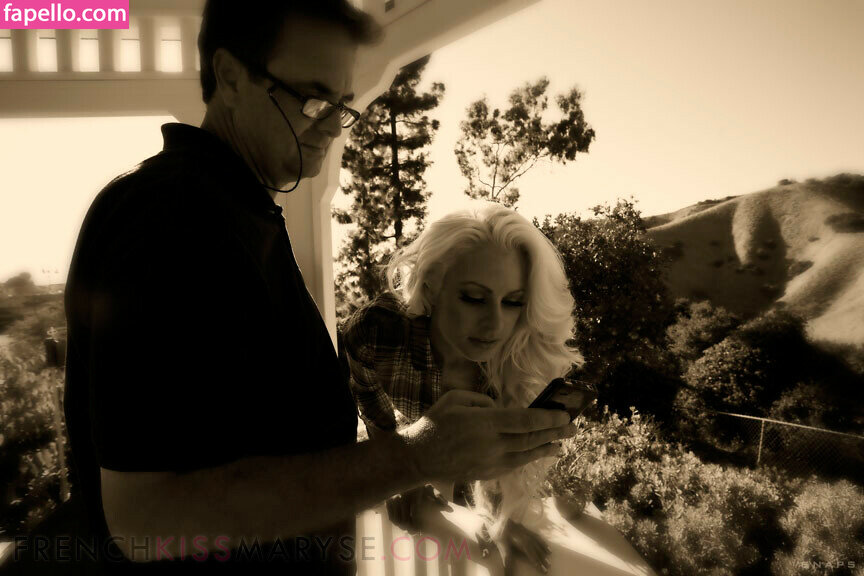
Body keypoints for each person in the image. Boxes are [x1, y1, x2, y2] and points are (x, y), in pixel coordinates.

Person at [60, 1, 576, 574]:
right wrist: (416, 456)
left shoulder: (235, 212)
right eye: (312, 98)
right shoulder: (171, 218)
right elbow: (145, 520)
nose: (332, 125)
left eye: (342, 105)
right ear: (230, 76)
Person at [342, 202, 584, 573]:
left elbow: (505, 457)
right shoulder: (377, 334)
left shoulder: (521, 355)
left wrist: (504, 519)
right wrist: (404, 479)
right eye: (473, 298)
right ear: (431, 286)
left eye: (513, 302)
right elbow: (375, 416)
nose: (495, 325)